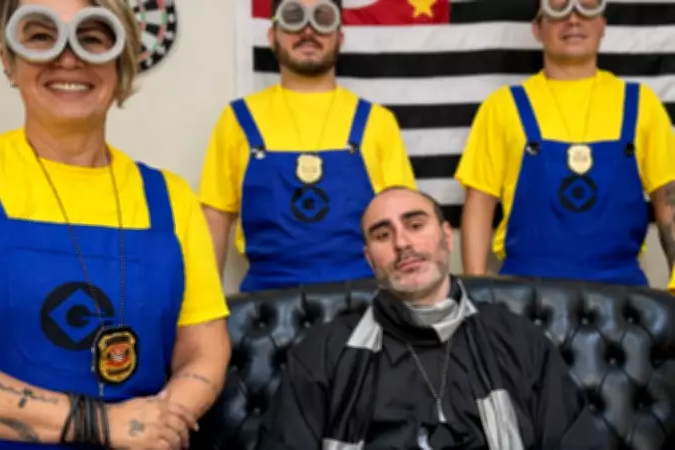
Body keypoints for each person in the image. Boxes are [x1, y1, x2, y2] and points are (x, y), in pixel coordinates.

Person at [0, 0, 230, 448]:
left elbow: (205, 349)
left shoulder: (172, 200)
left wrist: (159, 425)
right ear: (8, 60)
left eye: (92, 37)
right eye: (41, 36)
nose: (67, 57)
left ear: (122, 61)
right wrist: (100, 425)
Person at [257, 187, 603, 449]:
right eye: (382, 235)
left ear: (446, 238)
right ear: (370, 259)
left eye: (415, 225)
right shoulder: (322, 354)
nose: (402, 243)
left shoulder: (518, 340)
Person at [198, 0, 417, 292]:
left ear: (339, 37)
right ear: (272, 36)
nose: (308, 30)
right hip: (266, 304)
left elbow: (402, 219)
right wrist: (206, 309)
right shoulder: (237, 119)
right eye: (294, 17)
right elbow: (214, 220)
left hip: (363, 299)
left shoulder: (378, 121)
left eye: (323, 18)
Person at [455, 0, 675, 286]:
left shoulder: (642, 104)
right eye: (558, 8)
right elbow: (479, 203)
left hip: (622, 294)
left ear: (603, 26)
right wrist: (474, 290)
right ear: (537, 29)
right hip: (525, 293)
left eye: (587, 7)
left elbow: (668, 200)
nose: (573, 19)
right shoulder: (502, 106)